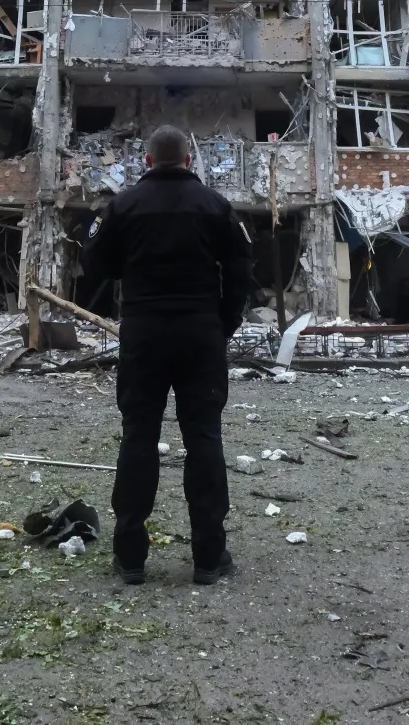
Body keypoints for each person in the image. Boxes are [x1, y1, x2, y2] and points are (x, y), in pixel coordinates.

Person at [80, 124, 254, 585]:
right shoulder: (217, 208)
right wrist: (223, 325)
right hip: (201, 333)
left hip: (144, 333)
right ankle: (208, 558)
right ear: (190, 161)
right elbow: (241, 272)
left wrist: (128, 267)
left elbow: (92, 264)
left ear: (148, 161)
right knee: (204, 438)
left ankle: (132, 558)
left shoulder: (122, 207)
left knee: (138, 437)